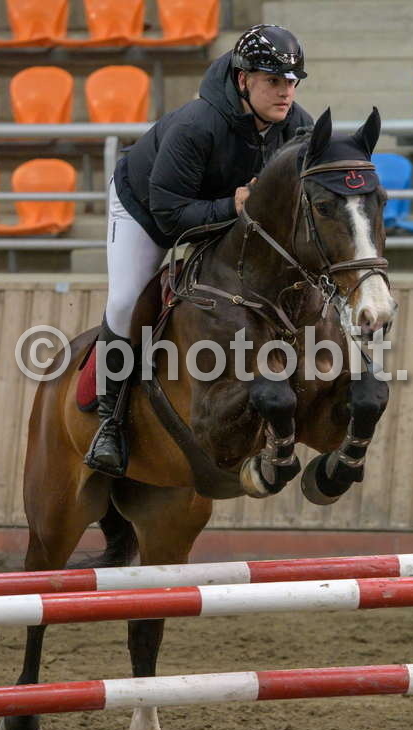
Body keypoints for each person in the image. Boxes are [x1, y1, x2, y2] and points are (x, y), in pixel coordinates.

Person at [84, 24, 313, 478]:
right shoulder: (197, 124)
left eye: (291, 81)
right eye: (273, 81)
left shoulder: (297, 126)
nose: (285, 92)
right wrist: (233, 205)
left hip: (224, 214)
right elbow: (171, 215)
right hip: (149, 209)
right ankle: (110, 420)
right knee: (127, 299)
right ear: (243, 79)